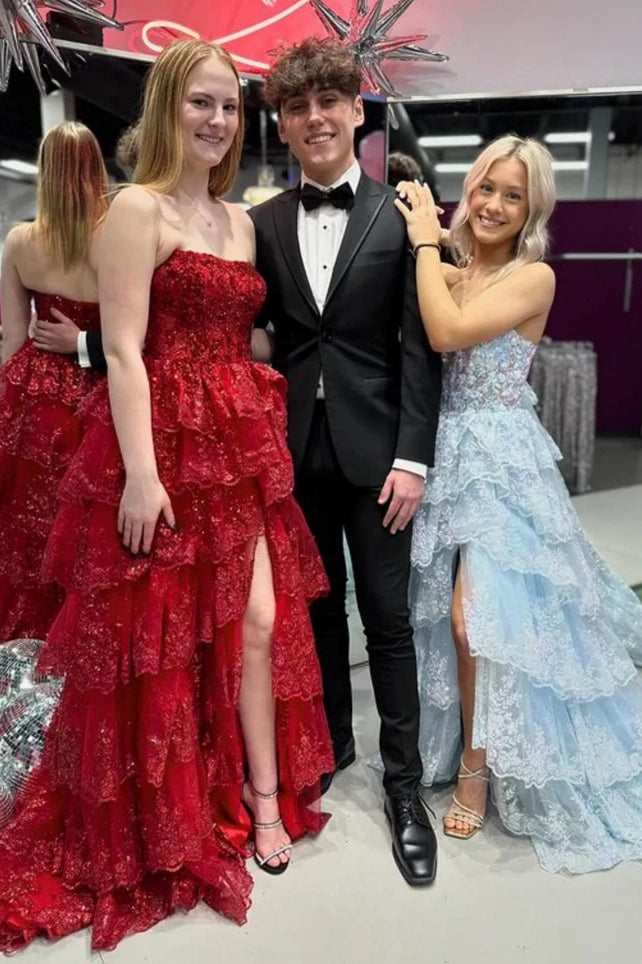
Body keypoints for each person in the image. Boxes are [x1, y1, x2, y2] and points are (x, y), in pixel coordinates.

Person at [0, 39, 333, 952]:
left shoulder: (240, 222)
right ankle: (171, 814)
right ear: (166, 111)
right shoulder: (135, 210)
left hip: (235, 448)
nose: (217, 120)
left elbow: (244, 337)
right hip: (159, 448)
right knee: (159, 637)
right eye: (201, 103)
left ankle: (264, 798)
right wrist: (141, 476)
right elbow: (120, 349)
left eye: (229, 106)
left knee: (257, 619)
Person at [395, 135, 642, 873]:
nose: (496, 205)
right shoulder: (460, 267)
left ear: (533, 209)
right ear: (469, 190)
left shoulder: (534, 277)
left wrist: (423, 242)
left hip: (501, 462)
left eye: (514, 196)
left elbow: (445, 333)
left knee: (475, 619)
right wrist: (434, 248)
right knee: (440, 612)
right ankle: (460, 744)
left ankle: (476, 769)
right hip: (446, 452)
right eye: (487, 188)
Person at [249, 38, 442, 886]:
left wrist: (414, 458)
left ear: (356, 111)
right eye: (298, 108)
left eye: (328, 102)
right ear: (285, 126)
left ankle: (405, 791)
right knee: (319, 612)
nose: (315, 118)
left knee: (389, 622)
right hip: (294, 452)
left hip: (381, 454)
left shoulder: (402, 217)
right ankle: (330, 747)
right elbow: (243, 332)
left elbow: (420, 350)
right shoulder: (261, 224)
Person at [0, 121, 107, 641]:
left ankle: (28, 652)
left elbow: (11, 340)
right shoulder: (117, 242)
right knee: (91, 531)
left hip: (34, 400)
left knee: (30, 531)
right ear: (97, 169)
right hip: (100, 394)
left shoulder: (21, 241)